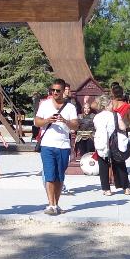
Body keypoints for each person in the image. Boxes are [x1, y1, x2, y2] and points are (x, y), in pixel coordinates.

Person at [34, 79, 78, 215]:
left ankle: (56, 204)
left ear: (63, 91)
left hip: (63, 145)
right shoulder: (45, 105)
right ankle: (50, 204)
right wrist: (47, 120)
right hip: (47, 145)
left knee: (59, 176)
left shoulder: (70, 107)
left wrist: (65, 121)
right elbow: (36, 122)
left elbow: (76, 125)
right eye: (52, 90)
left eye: (57, 91)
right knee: (49, 175)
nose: (54, 93)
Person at [94, 94, 130, 196]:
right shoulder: (115, 115)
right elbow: (122, 127)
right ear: (107, 105)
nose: (112, 105)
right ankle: (126, 188)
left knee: (103, 165)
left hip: (101, 143)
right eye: (111, 103)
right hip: (114, 143)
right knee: (120, 164)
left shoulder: (97, 117)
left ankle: (106, 189)